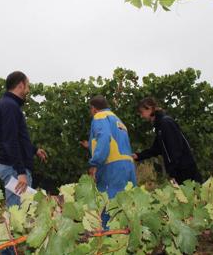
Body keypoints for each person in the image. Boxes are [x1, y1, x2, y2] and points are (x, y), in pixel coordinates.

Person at [80, 96, 137, 228]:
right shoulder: (117, 120)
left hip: (112, 168)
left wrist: (95, 163)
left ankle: (107, 242)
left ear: (94, 109)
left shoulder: (100, 117)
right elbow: (114, 142)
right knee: (126, 208)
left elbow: (104, 138)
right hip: (127, 167)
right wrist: (90, 145)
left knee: (108, 207)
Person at [0, 71, 47, 208]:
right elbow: (10, 141)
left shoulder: (8, 104)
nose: (28, 90)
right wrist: (20, 172)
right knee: (19, 215)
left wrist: (34, 150)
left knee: (22, 212)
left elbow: (16, 137)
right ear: (21, 85)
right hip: (14, 168)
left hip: (13, 167)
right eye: (27, 85)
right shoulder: (10, 106)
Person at [133, 97, 202, 184]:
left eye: (142, 112)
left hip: (185, 172)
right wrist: (138, 156)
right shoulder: (160, 126)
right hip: (180, 171)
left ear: (149, 108)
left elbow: (175, 149)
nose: (141, 116)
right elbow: (156, 149)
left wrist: (173, 173)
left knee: (193, 196)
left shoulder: (166, 123)